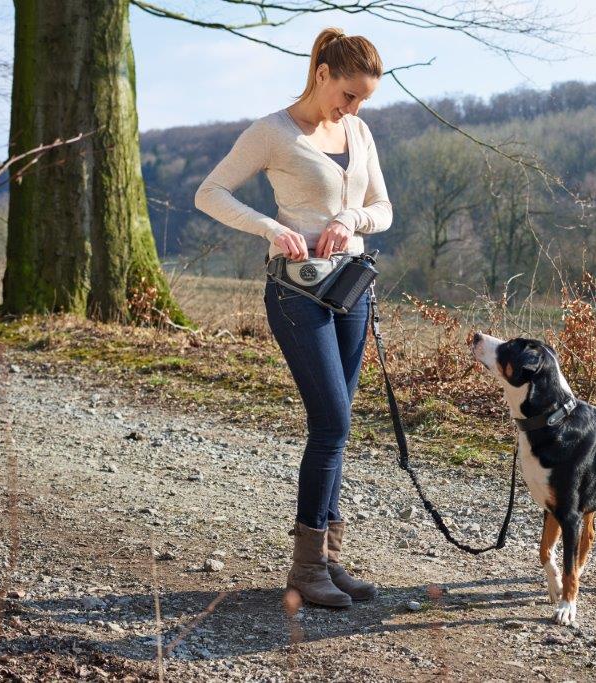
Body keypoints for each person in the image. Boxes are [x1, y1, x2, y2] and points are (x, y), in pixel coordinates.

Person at [195, 27, 392, 608]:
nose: (352, 108)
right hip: (295, 293)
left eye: (362, 100)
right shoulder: (273, 133)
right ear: (323, 74)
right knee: (332, 422)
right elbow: (211, 192)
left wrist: (350, 219)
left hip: (351, 289)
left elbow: (383, 208)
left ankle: (328, 559)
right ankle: (306, 570)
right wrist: (274, 229)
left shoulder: (359, 131)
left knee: (340, 424)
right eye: (349, 94)